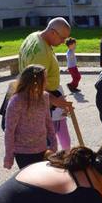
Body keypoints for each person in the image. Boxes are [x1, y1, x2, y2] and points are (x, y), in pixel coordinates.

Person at [18, 17, 72, 150]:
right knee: (46, 143)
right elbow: (34, 87)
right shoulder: (41, 53)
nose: (63, 42)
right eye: (62, 38)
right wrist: (56, 101)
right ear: (53, 32)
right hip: (42, 102)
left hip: (46, 97)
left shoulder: (33, 36)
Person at [4, 65, 56, 170]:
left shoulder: (44, 97)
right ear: (35, 82)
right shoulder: (16, 101)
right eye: (44, 79)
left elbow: (48, 122)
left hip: (42, 149)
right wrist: (9, 156)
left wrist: (54, 143)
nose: (47, 82)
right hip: (23, 152)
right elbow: (9, 130)